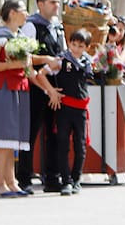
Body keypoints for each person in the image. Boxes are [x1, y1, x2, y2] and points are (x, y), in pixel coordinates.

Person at [0, 0, 62, 197]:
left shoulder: (19, 35)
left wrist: (48, 87)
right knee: (2, 138)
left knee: (11, 139)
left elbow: (28, 66)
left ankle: (11, 182)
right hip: (2, 89)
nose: (27, 14)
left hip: (18, 89)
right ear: (13, 13)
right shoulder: (0, 34)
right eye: (24, 11)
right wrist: (11, 66)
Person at [17, 0, 65, 193]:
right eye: (53, 2)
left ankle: (53, 177)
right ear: (41, 4)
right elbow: (24, 58)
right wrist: (45, 62)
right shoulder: (31, 26)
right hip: (35, 87)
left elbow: (62, 54)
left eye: (58, 2)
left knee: (55, 133)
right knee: (30, 133)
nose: (57, 6)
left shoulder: (58, 27)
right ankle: (24, 177)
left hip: (56, 86)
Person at [41, 29, 95, 195]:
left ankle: (76, 179)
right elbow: (41, 74)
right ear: (69, 43)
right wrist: (51, 91)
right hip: (64, 107)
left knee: (80, 145)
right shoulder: (61, 60)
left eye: (80, 46)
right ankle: (66, 181)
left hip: (81, 108)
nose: (76, 49)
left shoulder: (88, 62)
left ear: (87, 47)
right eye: (74, 44)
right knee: (63, 144)